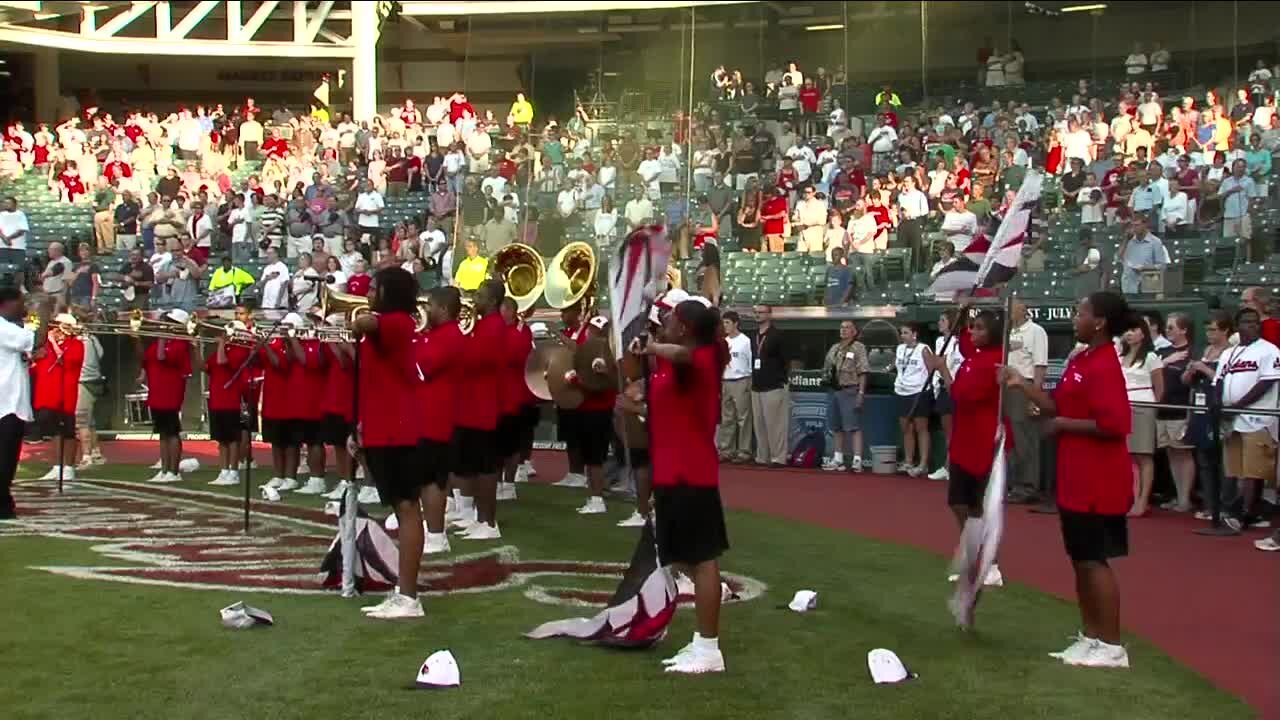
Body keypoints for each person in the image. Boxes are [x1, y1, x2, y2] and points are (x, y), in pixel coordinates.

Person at [1003, 291, 1134, 669]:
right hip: (1075, 476)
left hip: (1099, 478)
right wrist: (1019, 383)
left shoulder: (1105, 364)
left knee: (1094, 560)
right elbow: (1055, 403)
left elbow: (1115, 424)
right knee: (1079, 559)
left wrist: (1061, 425)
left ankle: (1112, 645)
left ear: (1100, 322)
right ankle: (1091, 636)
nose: (1075, 319)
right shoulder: (1083, 359)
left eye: (1081, 314)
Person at [634, 299, 731, 675]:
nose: (665, 325)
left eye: (672, 321)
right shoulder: (677, 364)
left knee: (703, 558)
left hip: (690, 473)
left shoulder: (702, 356)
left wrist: (653, 346)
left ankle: (708, 647)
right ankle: (703, 636)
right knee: (684, 555)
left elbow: (681, 357)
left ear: (685, 328)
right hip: (673, 472)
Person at [356, 268, 429, 620]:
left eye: (373, 288)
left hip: (397, 430)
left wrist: (356, 315)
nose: (368, 293)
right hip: (383, 428)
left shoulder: (398, 322)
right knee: (401, 508)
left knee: (407, 508)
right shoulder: (390, 323)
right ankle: (403, 591)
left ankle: (409, 596)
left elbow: (365, 324)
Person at [928, 305, 1006, 586]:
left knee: (977, 505)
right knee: (958, 502)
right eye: (974, 327)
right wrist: (963, 313)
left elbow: (964, 395)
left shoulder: (993, 361)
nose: (973, 332)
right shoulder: (976, 355)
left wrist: (943, 370)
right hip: (964, 440)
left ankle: (991, 563)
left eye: (980, 328)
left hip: (981, 442)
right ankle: (973, 555)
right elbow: (963, 340)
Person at [1214, 307, 1280, 533]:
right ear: (1237, 326)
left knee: (1254, 469)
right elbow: (1219, 380)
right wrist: (1219, 404)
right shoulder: (1228, 353)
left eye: (1255, 322)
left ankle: (1243, 514)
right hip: (1232, 419)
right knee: (1235, 467)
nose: (1253, 326)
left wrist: (1238, 406)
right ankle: (1239, 511)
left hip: (1258, 417)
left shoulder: (1269, 350)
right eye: (1247, 322)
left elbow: (1266, 382)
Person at [450, 279, 506, 539]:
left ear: (493, 301)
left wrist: (457, 342)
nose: (475, 300)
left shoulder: (494, 327)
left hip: (484, 407)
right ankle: (477, 517)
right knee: (473, 464)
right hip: (472, 405)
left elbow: (475, 359)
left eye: (480, 296)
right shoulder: (483, 325)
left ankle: (489, 522)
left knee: (486, 469)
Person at [413, 286, 465, 555]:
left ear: (443, 309)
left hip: (438, 418)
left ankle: (436, 534)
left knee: (433, 480)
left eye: (431, 305)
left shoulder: (449, 336)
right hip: (429, 415)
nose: (426, 310)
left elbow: (420, 368)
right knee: (426, 477)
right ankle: (432, 528)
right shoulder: (438, 334)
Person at [1, 290, 53, 518]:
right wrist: (42, 308)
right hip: (6, 403)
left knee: (8, 457)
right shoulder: (3, 328)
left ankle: (4, 501)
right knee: (6, 457)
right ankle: (2, 504)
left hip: (10, 401)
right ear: (7, 303)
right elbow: (37, 339)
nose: (23, 306)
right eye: (20, 302)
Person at [564, 314, 620, 515]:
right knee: (593, 458)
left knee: (594, 458)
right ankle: (594, 496)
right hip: (593, 410)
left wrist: (574, 381)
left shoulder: (604, 353)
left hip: (595, 411)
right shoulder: (606, 350)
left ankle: (597, 499)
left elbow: (598, 386)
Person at [1118, 315, 1164, 517]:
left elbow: (1160, 388)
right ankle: (1133, 498)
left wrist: (1152, 406)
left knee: (1143, 455)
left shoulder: (1151, 357)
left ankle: (1143, 500)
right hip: (1123, 407)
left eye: (1133, 330)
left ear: (1143, 333)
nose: (1129, 334)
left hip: (1143, 406)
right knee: (1128, 456)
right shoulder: (1120, 356)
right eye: (1126, 330)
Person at [140, 309, 193, 484]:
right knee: (162, 434)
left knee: (171, 433)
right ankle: (164, 469)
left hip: (170, 394)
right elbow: (147, 359)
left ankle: (174, 471)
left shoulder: (180, 343)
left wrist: (161, 338)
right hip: (156, 393)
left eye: (167, 321)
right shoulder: (160, 342)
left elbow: (162, 357)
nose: (163, 324)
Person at [31, 314, 85, 482]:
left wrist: (53, 342)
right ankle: (57, 466)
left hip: (65, 395)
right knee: (54, 432)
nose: (54, 330)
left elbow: (64, 360)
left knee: (67, 432)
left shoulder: (76, 345)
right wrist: (33, 357)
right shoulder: (45, 347)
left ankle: (69, 467)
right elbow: (34, 368)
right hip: (47, 396)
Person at [1006, 300, 1049, 504]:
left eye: (1012, 307)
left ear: (1023, 310)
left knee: (1026, 437)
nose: (1009, 310)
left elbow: (1040, 365)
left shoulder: (1036, 331)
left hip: (1025, 385)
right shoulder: (1007, 331)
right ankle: (1014, 483)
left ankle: (1028, 486)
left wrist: (1035, 395)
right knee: (1012, 438)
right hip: (1006, 386)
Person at [203, 328, 254, 487]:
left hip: (230, 401)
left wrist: (221, 345)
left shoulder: (240, 351)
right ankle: (224, 471)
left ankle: (233, 472)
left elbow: (221, 361)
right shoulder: (226, 349)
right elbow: (205, 367)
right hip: (217, 400)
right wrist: (194, 348)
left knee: (232, 440)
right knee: (222, 440)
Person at [822, 320, 868, 472]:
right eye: (841, 327)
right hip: (834, 390)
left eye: (847, 327)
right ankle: (838, 459)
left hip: (850, 390)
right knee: (836, 427)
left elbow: (863, 371)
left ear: (854, 331)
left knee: (854, 426)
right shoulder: (835, 348)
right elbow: (827, 367)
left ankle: (857, 460)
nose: (843, 330)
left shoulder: (858, 347)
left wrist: (861, 393)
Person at [496, 297, 530, 504]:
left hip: (513, 395)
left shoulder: (521, 330)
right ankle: (499, 483)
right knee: (498, 444)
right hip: (498, 395)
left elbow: (517, 356)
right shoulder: (500, 329)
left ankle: (509, 484)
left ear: (509, 310)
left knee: (510, 444)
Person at [927, 310, 966, 481]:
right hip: (943, 388)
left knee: (960, 431)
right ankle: (949, 465)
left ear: (952, 322)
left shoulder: (961, 342)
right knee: (948, 431)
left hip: (957, 387)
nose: (939, 323)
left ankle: (952, 466)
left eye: (943, 320)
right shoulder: (939, 341)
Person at [750, 305, 790, 467]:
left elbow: (787, 360)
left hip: (774, 384)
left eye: (761, 312)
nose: (758, 315)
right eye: (756, 313)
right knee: (759, 425)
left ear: (770, 315)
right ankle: (762, 456)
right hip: (757, 384)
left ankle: (778, 457)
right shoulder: (753, 336)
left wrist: (783, 379)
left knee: (776, 425)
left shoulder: (777, 335)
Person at [893, 323, 931, 477]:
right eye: (902, 333)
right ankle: (908, 461)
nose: (903, 336)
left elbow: (931, 369)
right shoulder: (900, 349)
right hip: (901, 391)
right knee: (906, 427)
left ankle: (923, 463)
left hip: (919, 391)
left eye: (906, 333)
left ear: (914, 334)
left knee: (921, 428)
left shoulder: (924, 349)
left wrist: (930, 388)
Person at [717, 310, 753, 463]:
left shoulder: (745, 341)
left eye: (727, 323)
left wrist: (749, 379)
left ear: (736, 324)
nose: (725, 326)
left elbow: (750, 361)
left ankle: (744, 451)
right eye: (723, 323)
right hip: (726, 380)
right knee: (727, 418)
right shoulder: (723, 341)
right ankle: (726, 450)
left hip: (741, 379)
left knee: (743, 418)